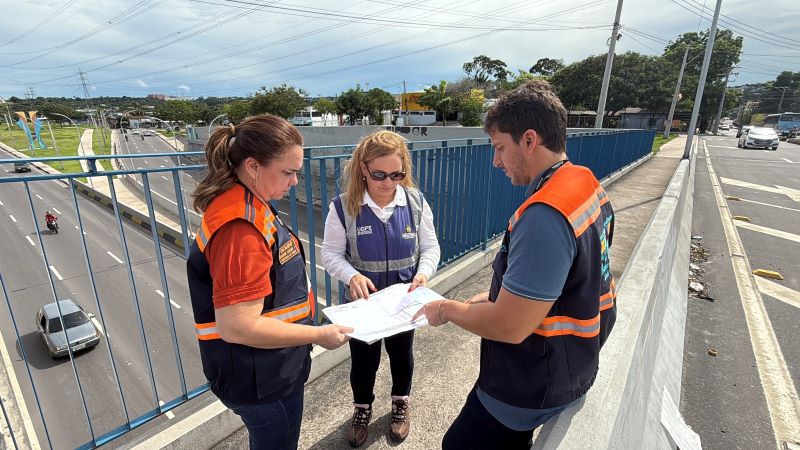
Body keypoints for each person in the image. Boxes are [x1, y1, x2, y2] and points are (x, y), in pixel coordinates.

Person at [414, 80, 617, 449]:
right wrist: (489, 296)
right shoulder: (584, 183)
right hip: (577, 364)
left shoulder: (544, 215)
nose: (496, 161)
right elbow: (567, 282)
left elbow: (509, 326)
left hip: (531, 384)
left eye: (500, 148)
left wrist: (447, 310)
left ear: (529, 140)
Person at [186, 114, 353, 450]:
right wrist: (319, 334)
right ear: (253, 167)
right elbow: (237, 327)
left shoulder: (248, 202)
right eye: (288, 172)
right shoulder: (240, 230)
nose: (294, 182)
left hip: (270, 368)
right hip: (260, 378)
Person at [321, 130, 441, 446]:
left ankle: (401, 402)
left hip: (404, 302)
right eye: (379, 175)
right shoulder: (343, 207)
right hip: (365, 305)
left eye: (397, 174)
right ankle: (362, 408)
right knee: (364, 361)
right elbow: (330, 253)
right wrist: (352, 276)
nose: (388, 182)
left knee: (402, 354)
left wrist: (424, 273)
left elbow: (430, 246)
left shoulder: (415, 202)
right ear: (363, 169)